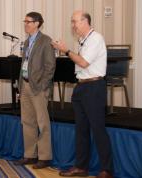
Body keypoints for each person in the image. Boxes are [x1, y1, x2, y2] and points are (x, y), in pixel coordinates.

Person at [52, 11, 113, 178]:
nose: (72, 25)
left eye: (75, 22)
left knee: (98, 129)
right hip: (81, 87)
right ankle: (81, 167)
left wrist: (66, 50)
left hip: (94, 87)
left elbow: (83, 62)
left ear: (85, 21)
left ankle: (107, 170)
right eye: (72, 22)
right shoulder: (83, 40)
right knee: (81, 130)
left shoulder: (95, 39)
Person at [14, 12, 56, 169]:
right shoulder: (26, 42)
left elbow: (50, 66)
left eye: (28, 22)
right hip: (25, 85)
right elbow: (24, 65)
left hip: (38, 87)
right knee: (27, 122)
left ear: (37, 23)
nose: (25, 24)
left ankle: (45, 157)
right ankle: (30, 155)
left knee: (42, 122)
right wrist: (20, 85)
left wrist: (43, 85)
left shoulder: (46, 41)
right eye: (24, 21)